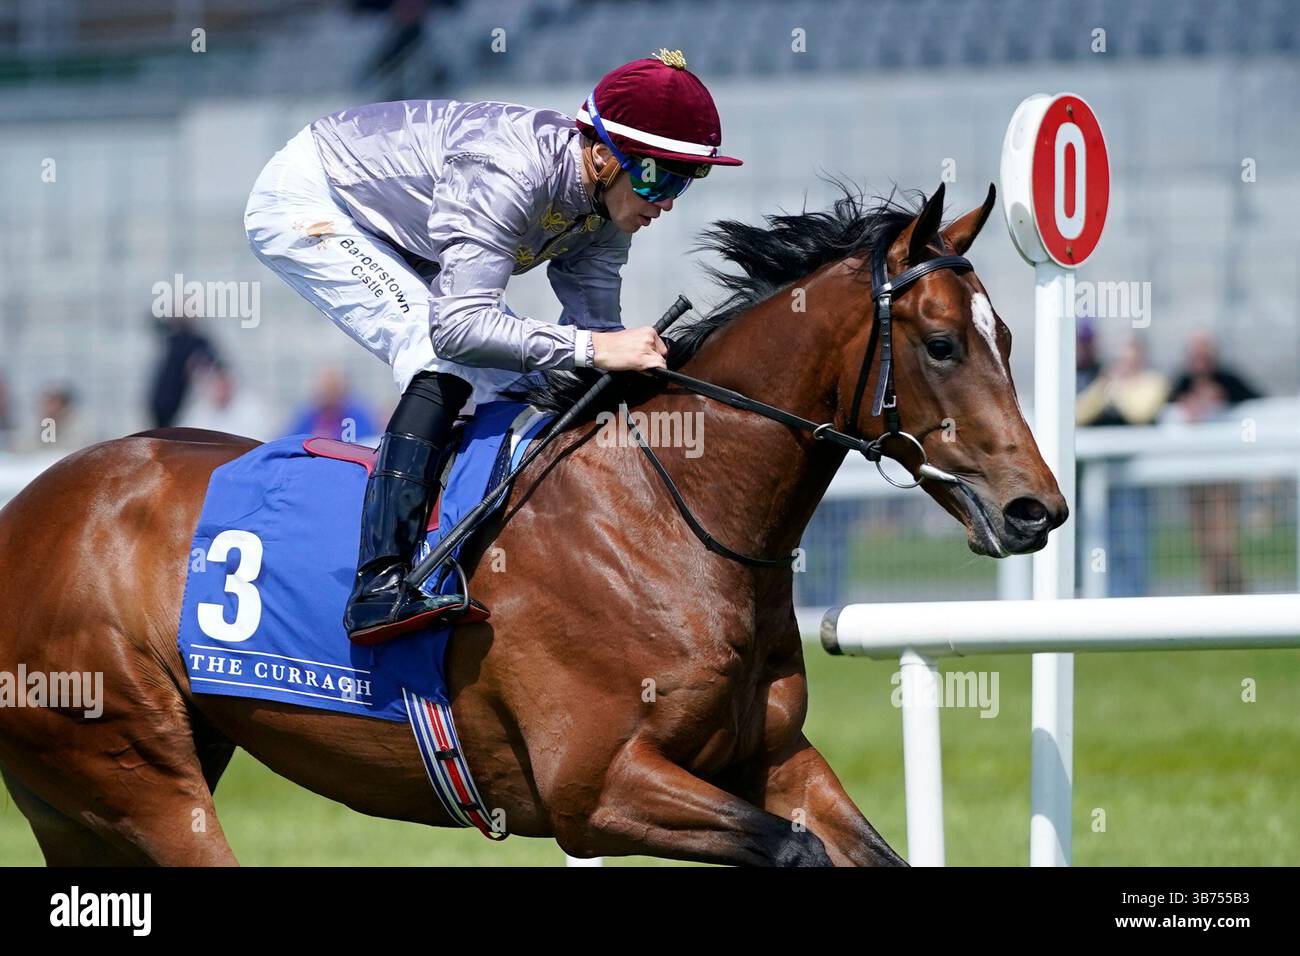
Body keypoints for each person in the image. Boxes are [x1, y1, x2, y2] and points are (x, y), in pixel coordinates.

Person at [244, 50, 742, 644]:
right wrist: (594, 348)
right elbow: (459, 327)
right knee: (443, 354)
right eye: (658, 177)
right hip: (313, 198)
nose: (665, 202)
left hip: (400, 231)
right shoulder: (509, 171)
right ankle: (379, 584)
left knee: (520, 374)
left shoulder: (607, 213)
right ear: (604, 155)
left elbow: (594, 343)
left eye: (684, 181)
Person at [284, 367, 379, 442]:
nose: (329, 394)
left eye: (334, 388)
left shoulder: (357, 416)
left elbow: (365, 444)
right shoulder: (308, 415)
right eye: (325, 388)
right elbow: (289, 440)